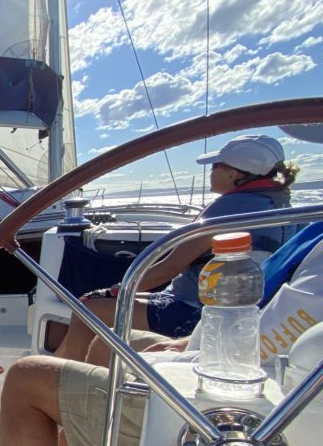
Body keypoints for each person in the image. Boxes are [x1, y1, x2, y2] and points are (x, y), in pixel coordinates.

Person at [0, 224, 323, 446]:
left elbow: (268, 348)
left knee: (26, 377)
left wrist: (166, 363)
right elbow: (260, 329)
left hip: (227, 414)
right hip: (215, 358)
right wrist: (185, 348)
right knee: (107, 344)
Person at [53, 135, 300, 362]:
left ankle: (63, 381)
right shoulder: (282, 206)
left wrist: (117, 289)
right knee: (94, 301)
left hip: (197, 312)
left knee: (88, 308)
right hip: (230, 308)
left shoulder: (226, 210)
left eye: (215, 166)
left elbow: (168, 269)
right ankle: (59, 365)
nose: (210, 172)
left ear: (234, 174)